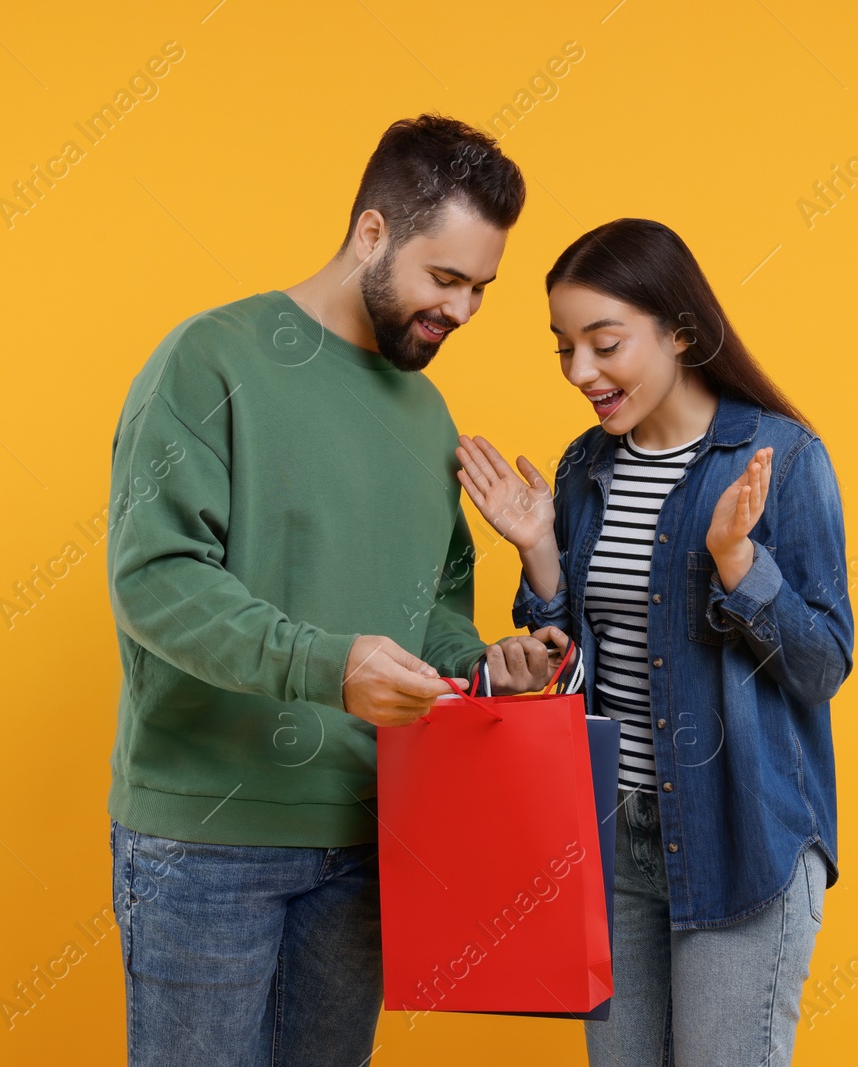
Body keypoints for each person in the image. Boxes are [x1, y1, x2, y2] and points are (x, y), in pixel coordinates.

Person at [103, 114, 569, 1067]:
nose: (465, 311)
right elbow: (154, 581)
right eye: (446, 279)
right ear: (371, 234)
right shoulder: (211, 361)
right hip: (209, 841)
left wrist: (482, 665)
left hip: (368, 835)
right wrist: (328, 666)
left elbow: (430, 603)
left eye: (482, 289)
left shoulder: (425, 406)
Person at [453, 218, 855, 1066]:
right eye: (564, 347)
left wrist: (738, 565)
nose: (581, 372)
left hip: (742, 836)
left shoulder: (780, 454)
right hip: (608, 834)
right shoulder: (583, 468)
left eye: (605, 343)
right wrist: (538, 555)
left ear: (679, 328)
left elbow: (822, 665)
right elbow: (570, 660)